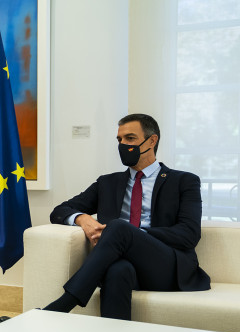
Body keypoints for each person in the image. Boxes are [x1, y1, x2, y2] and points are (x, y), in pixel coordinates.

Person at [43, 113, 210, 320]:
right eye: (119, 140)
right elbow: (59, 211)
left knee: (118, 227)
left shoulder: (184, 181)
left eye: (130, 139)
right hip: (126, 265)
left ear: (152, 140)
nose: (123, 145)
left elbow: (189, 234)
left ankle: (60, 307)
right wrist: (81, 218)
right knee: (117, 270)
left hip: (166, 266)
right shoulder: (107, 183)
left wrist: (134, 234)